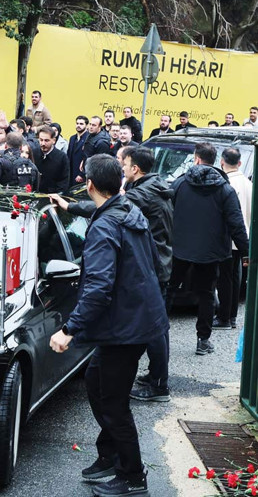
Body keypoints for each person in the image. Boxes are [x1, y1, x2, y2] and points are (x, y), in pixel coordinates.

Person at [49, 154, 166, 497]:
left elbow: (99, 287)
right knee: (96, 382)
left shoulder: (105, 227)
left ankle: (133, 477)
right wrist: (69, 206)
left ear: (89, 184)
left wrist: (68, 330)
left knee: (113, 402)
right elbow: (100, 208)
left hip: (127, 326)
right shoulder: (126, 207)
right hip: (137, 318)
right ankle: (110, 455)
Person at [169, 142, 249, 355]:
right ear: (215, 161)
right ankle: (203, 340)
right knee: (206, 294)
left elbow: (166, 212)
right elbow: (236, 224)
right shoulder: (225, 189)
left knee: (168, 290)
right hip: (211, 251)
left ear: (196, 159)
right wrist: (247, 252)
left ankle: (157, 334)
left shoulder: (180, 184)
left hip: (180, 248)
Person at [117, 147, 174, 403]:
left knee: (155, 329)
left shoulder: (143, 193)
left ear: (135, 168)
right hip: (160, 261)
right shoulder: (154, 185)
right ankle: (155, 376)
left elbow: (111, 207)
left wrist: (70, 206)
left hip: (153, 265)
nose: (122, 168)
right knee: (158, 326)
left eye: (124, 164)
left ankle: (159, 385)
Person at [215, 147, 252, 329]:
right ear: (239, 163)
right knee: (235, 277)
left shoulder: (226, 184)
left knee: (224, 278)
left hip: (228, 237)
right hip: (244, 237)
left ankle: (224, 316)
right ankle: (232, 316)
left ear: (222, 162)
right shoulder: (249, 184)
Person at [34, 125, 69, 193]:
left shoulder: (62, 157)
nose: (43, 143)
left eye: (46, 140)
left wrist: (58, 195)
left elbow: (64, 181)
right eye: (41, 140)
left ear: (54, 140)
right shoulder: (34, 153)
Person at [67, 116, 89, 185]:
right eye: (77, 123)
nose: (78, 125)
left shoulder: (88, 138)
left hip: (81, 175)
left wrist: (82, 174)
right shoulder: (72, 138)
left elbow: (88, 158)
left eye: (81, 124)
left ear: (86, 125)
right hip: (71, 173)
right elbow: (69, 155)